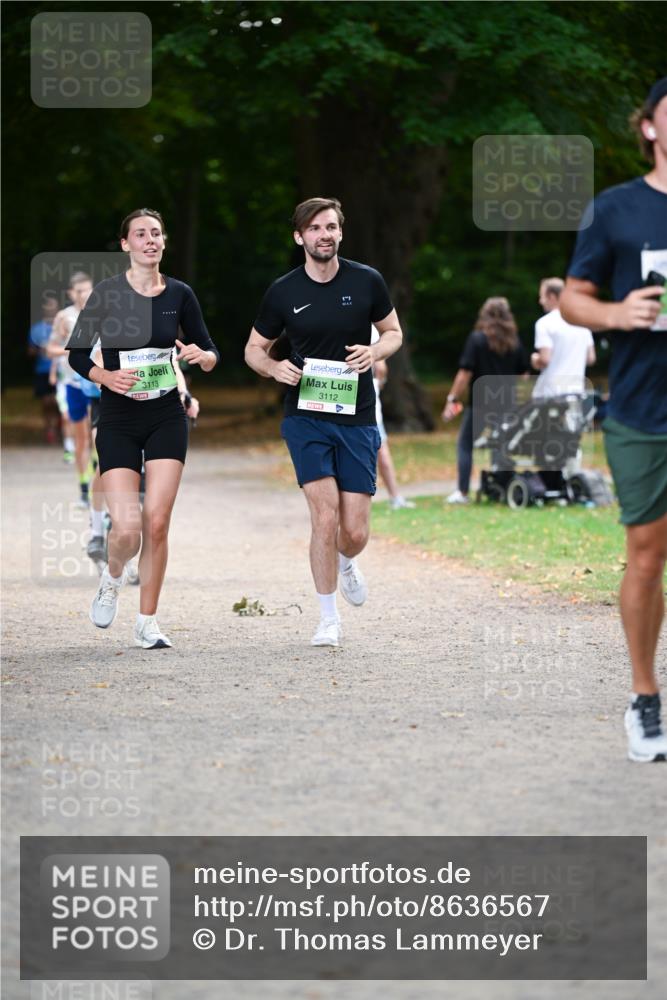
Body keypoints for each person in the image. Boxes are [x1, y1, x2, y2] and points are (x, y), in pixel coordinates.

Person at [560, 77, 667, 763]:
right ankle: (643, 699)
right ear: (649, 128)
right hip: (641, 410)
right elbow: (572, 298)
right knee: (647, 553)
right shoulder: (616, 209)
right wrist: (614, 314)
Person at [244, 197, 403, 647]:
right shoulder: (283, 291)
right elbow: (253, 350)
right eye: (315, 228)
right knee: (324, 515)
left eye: (331, 226)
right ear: (300, 237)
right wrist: (274, 369)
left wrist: (375, 351)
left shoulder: (367, 280)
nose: (324, 235)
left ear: (340, 232)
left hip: (356, 417)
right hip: (305, 416)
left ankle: (347, 561)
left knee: (352, 532)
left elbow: (394, 332)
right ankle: (328, 618)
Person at [67, 208, 218, 649]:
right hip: (117, 418)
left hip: (166, 415)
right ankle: (113, 576)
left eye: (156, 233)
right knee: (128, 528)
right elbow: (78, 354)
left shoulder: (180, 294)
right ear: (125, 245)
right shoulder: (108, 294)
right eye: (141, 234)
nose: (150, 240)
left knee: (157, 522)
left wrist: (204, 358)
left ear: (163, 242)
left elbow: (208, 350)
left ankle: (147, 622)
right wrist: (106, 377)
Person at [441, 297, 529, 503]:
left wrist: (452, 398)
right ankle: (503, 489)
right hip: (507, 404)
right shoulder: (514, 342)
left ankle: (462, 492)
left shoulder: (477, 340)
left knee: (465, 445)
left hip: (480, 404)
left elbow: (464, 374)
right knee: (502, 445)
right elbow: (524, 375)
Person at [47, 272, 94, 503]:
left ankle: (100, 484)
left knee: (100, 436)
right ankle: (84, 487)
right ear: (70, 293)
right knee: (82, 437)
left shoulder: (103, 314)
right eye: (79, 291)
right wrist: (73, 350)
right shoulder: (64, 317)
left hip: (97, 383)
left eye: (88, 289)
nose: (84, 294)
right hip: (74, 383)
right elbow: (50, 349)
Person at [371, 326, 415, 510]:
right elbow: (381, 368)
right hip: (369, 406)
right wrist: (379, 383)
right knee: (381, 451)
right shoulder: (370, 328)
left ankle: (394, 496)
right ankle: (395, 496)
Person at [531, 277, 595, 398]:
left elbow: (545, 359)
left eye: (542, 296)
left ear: (552, 297)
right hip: (576, 391)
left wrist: (535, 359)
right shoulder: (581, 322)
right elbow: (591, 358)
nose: (540, 301)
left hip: (550, 393)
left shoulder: (544, 323)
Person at [27, 294, 60, 444]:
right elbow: (30, 351)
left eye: (53, 306)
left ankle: (59, 427)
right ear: (44, 309)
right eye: (48, 306)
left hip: (60, 370)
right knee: (46, 402)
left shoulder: (62, 326)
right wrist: (40, 350)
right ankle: (49, 430)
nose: (50, 309)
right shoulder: (36, 329)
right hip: (42, 370)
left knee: (57, 401)